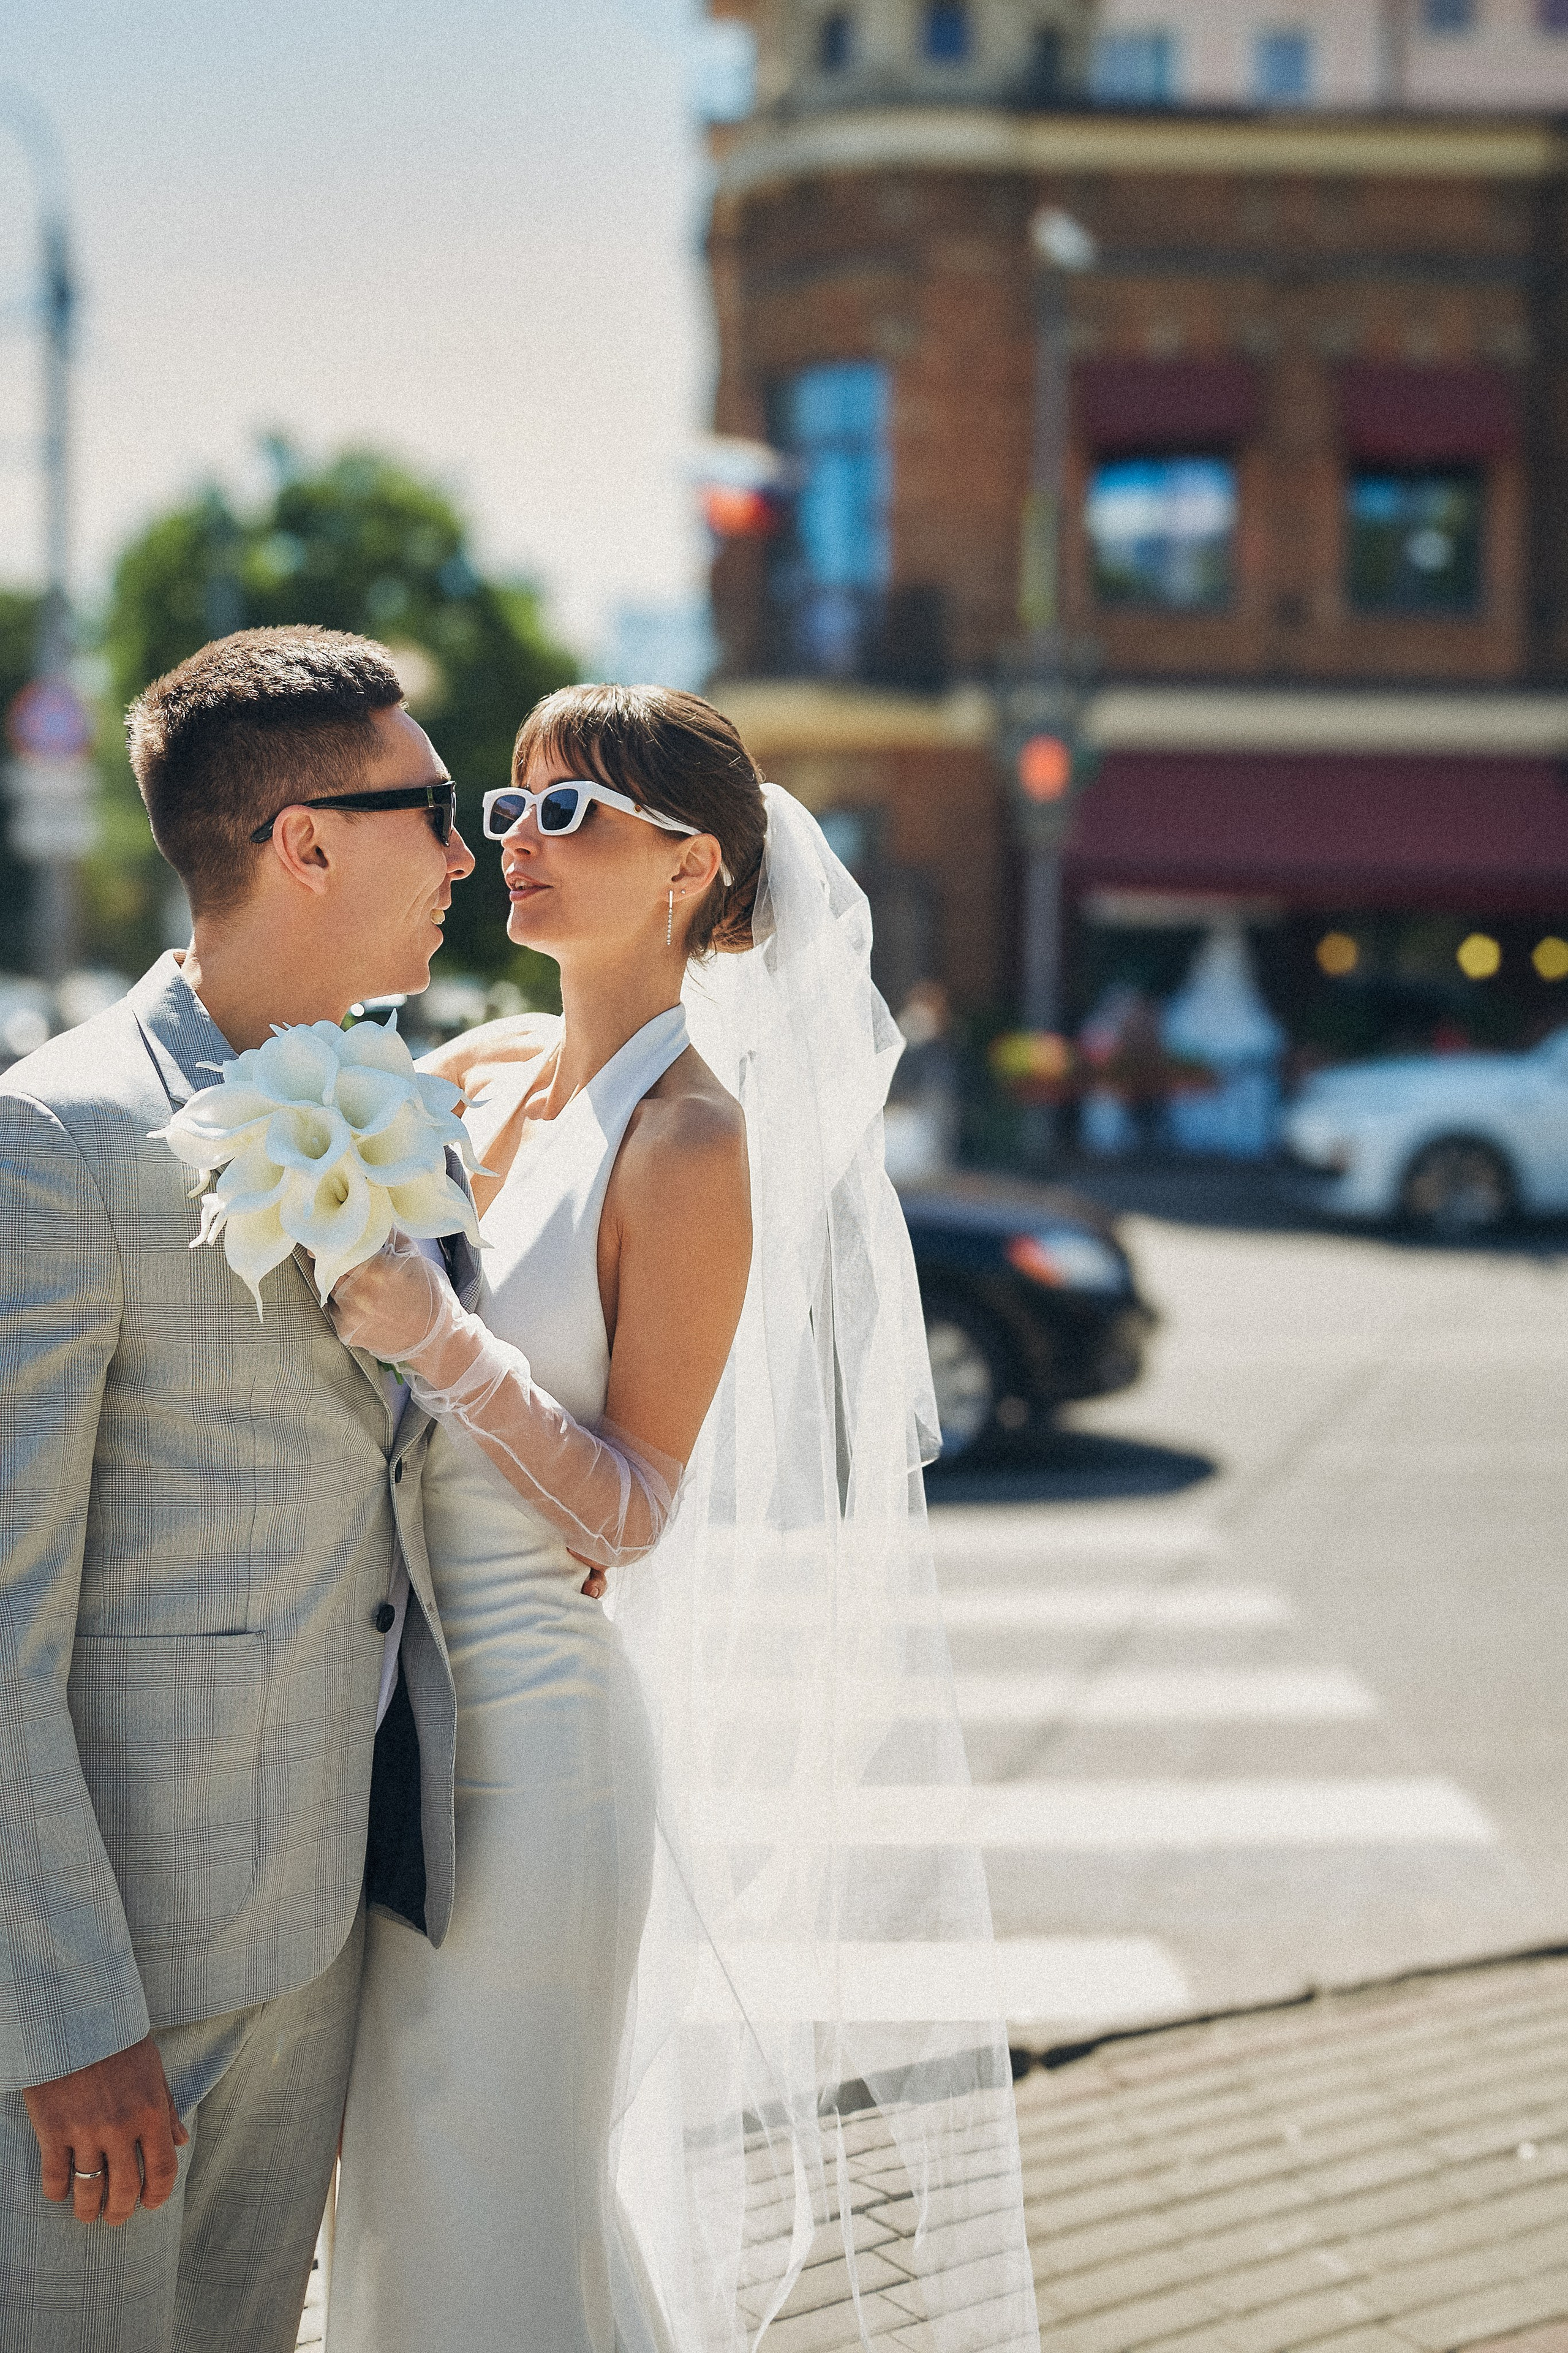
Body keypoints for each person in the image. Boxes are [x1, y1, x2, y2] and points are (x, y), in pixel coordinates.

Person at [323, 685, 1040, 2352]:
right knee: (407, 2193)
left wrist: (448, 1348)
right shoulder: (480, 1069)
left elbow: (637, 1505)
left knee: (494, 2192)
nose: (519, 842)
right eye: (511, 807)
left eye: (569, 811)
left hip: (537, 1748)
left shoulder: (692, 1136)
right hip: (389, 1717)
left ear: (689, 864)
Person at [0, 625, 476, 2351]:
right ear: (308, 845)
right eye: (436, 810)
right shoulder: (59, 1138)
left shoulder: (397, 1095)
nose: (467, 854)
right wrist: (61, 2019)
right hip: (113, 1982)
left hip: (319, 1926)